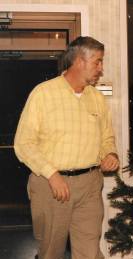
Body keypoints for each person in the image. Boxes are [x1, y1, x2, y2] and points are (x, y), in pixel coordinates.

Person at [14, 36, 119, 259]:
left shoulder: (97, 98)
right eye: (97, 62)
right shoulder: (43, 94)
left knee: (90, 252)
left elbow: (107, 138)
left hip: (90, 184)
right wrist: (52, 174)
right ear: (79, 61)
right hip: (50, 185)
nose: (101, 68)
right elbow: (24, 143)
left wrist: (109, 153)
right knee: (51, 251)